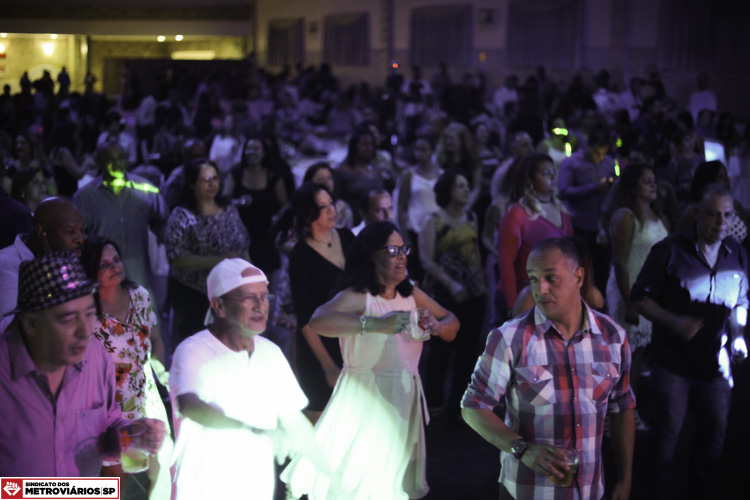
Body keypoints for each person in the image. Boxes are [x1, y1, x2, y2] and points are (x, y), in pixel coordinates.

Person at [281, 221, 459, 499]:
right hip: (366, 396)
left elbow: (452, 321)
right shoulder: (359, 296)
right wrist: (375, 324)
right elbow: (318, 320)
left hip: (403, 394)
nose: (402, 256)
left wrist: (439, 327)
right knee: (362, 477)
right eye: (392, 250)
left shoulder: (410, 294)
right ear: (370, 256)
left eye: (403, 249)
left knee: (392, 476)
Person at [462, 238, 636, 500]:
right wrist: (521, 448)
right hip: (529, 491)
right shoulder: (510, 338)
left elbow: (622, 407)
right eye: (533, 279)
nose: (540, 289)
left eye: (550, 278)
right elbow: (473, 406)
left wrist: (625, 479)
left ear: (578, 278)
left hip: (589, 490)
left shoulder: (612, 336)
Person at [170, 258, 337, 500]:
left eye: (264, 296)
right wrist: (251, 429)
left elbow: (294, 421)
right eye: (249, 298)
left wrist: (333, 479)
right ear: (219, 306)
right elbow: (188, 405)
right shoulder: (194, 351)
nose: (260, 306)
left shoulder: (271, 352)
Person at [631, 183, 749, 500]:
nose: (721, 222)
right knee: (667, 436)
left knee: (715, 434)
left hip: (716, 364)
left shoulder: (736, 253)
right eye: (713, 214)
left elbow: (741, 301)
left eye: (727, 215)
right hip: (674, 363)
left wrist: (738, 338)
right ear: (697, 213)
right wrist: (674, 321)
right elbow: (639, 297)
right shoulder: (670, 250)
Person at [0, 252, 166, 476]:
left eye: (89, 314)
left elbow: (107, 426)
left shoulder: (96, 356)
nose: (85, 331)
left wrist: (131, 435)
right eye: (68, 319)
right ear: (30, 323)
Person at [81, 238, 172, 499]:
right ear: (91, 273)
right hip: (112, 405)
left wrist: (159, 369)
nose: (114, 267)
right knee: (116, 479)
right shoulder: (87, 313)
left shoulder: (139, 295)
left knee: (160, 470)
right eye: (104, 264)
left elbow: (155, 339)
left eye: (116, 260)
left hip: (146, 397)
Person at [605, 163, 669, 425]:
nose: (653, 185)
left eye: (654, 180)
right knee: (625, 357)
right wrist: (630, 302)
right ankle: (618, 416)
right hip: (629, 290)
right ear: (633, 187)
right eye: (647, 181)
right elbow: (619, 263)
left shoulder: (656, 214)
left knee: (639, 354)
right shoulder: (626, 216)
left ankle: (628, 411)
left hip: (649, 293)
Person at [420, 169, 486, 418]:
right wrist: (451, 284)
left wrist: (481, 284)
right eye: (461, 186)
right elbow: (426, 260)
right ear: (447, 190)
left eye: (467, 185)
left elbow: (475, 250)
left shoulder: (471, 216)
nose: (467, 190)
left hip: (472, 293)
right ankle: (434, 404)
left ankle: (459, 405)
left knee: (468, 352)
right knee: (440, 352)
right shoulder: (433, 220)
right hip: (443, 296)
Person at [289, 183, 355, 423]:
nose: (331, 210)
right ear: (308, 214)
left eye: (331, 203)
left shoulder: (347, 238)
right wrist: (327, 366)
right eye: (322, 206)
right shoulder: (301, 255)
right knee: (319, 418)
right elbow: (304, 317)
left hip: (350, 341)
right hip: (318, 348)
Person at [165, 158, 250, 343]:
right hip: (195, 295)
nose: (212, 184)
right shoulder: (182, 215)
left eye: (215, 178)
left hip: (230, 293)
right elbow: (176, 258)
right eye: (205, 180)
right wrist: (219, 259)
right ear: (192, 184)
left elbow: (243, 246)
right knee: (198, 343)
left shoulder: (229, 210)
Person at [74, 141, 168, 292]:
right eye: (109, 159)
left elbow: (163, 224)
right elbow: (79, 240)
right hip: (103, 280)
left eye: (120, 158)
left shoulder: (146, 190)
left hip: (139, 275)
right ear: (99, 163)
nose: (116, 163)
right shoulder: (84, 198)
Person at [496, 154, 573, 314]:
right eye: (545, 173)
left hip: (554, 298)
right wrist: (512, 304)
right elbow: (505, 262)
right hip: (527, 298)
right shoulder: (517, 214)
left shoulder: (562, 210)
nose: (552, 177)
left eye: (554, 172)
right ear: (531, 181)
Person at [0, 197, 84, 331]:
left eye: (81, 230)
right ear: (41, 231)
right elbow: (8, 329)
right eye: (70, 231)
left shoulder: (68, 260)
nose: (80, 239)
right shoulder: (7, 265)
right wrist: (49, 273)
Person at [558, 128, 616, 293]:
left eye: (603, 153)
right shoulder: (571, 163)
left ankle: (600, 302)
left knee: (602, 270)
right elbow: (563, 191)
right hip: (580, 225)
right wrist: (593, 187)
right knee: (579, 269)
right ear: (588, 146)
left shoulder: (609, 162)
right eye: (596, 153)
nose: (600, 157)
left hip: (603, 227)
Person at [225, 136, 289, 276]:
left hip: (266, 235)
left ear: (264, 153)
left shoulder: (272, 175)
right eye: (249, 149)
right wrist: (239, 202)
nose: (252, 152)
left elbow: (284, 205)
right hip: (240, 233)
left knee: (265, 277)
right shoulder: (237, 173)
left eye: (256, 149)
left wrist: (277, 220)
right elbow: (223, 200)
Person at [394, 135, 441, 283]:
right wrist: (404, 236)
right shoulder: (409, 175)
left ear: (432, 151)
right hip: (415, 229)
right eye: (417, 150)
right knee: (417, 274)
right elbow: (400, 206)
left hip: (437, 229)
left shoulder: (440, 174)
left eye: (423, 150)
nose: (419, 154)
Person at [303, 162, 353, 229]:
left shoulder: (342, 207)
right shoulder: (303, 207)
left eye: (329, 178)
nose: (326, 182)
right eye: (320, 179)